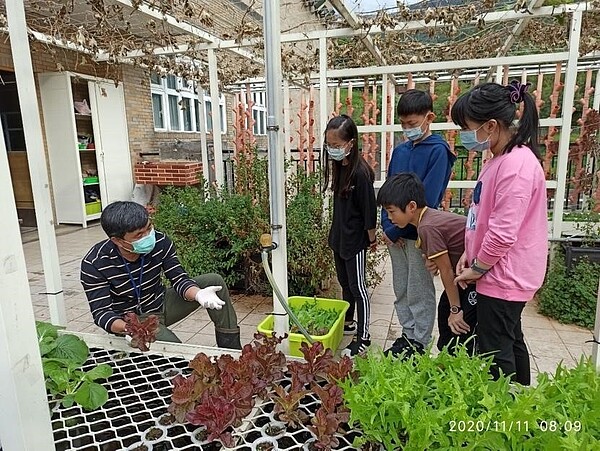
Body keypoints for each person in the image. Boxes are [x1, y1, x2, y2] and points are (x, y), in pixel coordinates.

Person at [451, 81, 547, 385]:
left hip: (503, 275)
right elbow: (483, 216)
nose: (465, 135)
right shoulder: (499, 159)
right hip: (496, 271)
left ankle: (501, 418)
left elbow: (504, 233)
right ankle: (521, 405)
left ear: (491, 125)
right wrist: (470, 252)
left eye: (468, 127)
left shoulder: (516, 166)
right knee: (511, 338)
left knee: (495, 350)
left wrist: (478, 269)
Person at [80, 201, 242, 349]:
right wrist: (130, 329)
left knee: (213, 281)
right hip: (131, 321)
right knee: (178, 353)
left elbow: (178, 278)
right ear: (117, 241)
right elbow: (101, 313)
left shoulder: (160, 242)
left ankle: (231, 352)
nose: (148, 236)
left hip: (159, 304)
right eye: (139, 235)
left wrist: (198, 293)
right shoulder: (95, 263)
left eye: (149, 228)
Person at [382, 89, 456, 356]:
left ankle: (419, 340)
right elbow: (388, 192)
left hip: (419, 234)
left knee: (419, 289)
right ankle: (406, 333)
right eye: (403, 124)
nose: (407, 129)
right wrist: (389, 227)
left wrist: (402, 227)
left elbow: (430, 199)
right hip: (395, 233)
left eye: (412, 124)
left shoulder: (439, 151)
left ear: (429, 118)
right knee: (401, 286)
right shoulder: (400, 151)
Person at [378, 173, 477, 356]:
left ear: (411, 207)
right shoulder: (425, 220)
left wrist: (456, 310)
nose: (389, 218)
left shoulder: (426, 227)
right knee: (444, 314)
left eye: (392, 211)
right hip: (465, 275)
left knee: (460, 327)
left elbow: (446, 271)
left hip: (477, 277)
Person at [322, 114, 378, 356]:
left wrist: (372, 239)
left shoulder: (361, 173)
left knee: (358, 288)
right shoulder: (339, 167)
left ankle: (363, 337)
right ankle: (348, 323)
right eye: (329, 145)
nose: (332, 150)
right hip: (339, 238)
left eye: (336, 145)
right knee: (345, 284)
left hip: (355, 240)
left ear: (350, 143)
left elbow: (369, 212)